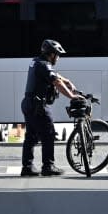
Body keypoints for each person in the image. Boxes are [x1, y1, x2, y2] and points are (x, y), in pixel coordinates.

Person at [20, 38, 80, 177]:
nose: (58, 58)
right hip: (38, 105)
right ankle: (48, 166)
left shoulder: (36, 61)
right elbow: (56, 81)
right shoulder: (44, 65)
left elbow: (55, 75)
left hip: (28, 103)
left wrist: (67, 81)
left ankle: (27, 167)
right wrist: (71, 96)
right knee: (49, 134)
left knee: (31, 136)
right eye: (57, 55)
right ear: (51, 54)